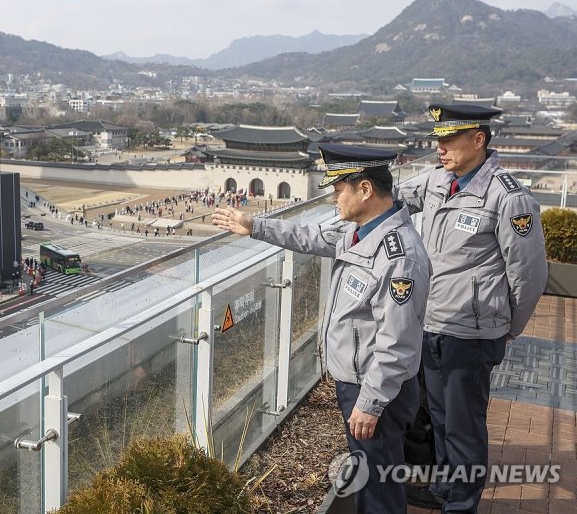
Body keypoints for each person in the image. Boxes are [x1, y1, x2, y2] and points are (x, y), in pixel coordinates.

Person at [213, 144, 431, 513]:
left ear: (365, 190)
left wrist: (371, 403)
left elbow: (398, 344)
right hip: (358, 381)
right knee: (371, 476)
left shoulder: (398, 256)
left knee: (378, 485)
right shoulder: (362, 232)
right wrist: (255, 226)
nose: (333, 199)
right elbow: (310, 236)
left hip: (374, 388)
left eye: (337, 190)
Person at [396, 104, 548, 512]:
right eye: (437, 140)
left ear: (478, 140)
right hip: (433, 323)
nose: (439, 149)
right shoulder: (437, 182)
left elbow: (529, 274)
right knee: (443, 419)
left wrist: (506, 326)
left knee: (464, 427)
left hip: (473, 332)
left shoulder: (507, 196)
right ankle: (446, 488)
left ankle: (461, 505)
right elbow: (388, 198)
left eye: (448, 140)